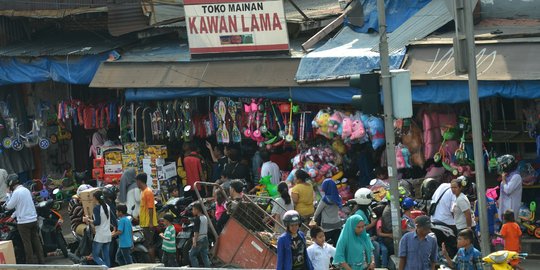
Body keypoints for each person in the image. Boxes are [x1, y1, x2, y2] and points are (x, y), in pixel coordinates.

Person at [4, 174, 45, 264]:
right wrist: (12, 217)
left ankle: (29, 264)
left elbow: (8, 207)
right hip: (33, 220)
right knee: (36, 241)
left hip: (24, 223)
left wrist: (8, 194)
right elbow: (20, 206)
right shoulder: (26, 190)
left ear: (11, 184)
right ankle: (41, 261)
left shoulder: (16, 193)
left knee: (27, 243)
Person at [83, 190, 112, 267]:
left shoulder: (96, 208)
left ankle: (105, 268)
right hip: (108, 234)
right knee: (106, 256)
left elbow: (97, 222)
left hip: (100, 236)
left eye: (93, 197)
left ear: (95, 198)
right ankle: (107, 267)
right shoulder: (107, 206)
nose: (92, 199)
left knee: (95, 256)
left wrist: (88, 220)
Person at [430, 181, 458, 258]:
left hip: (434, 221)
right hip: (447, 223)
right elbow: (454, 210)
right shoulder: (454, 192)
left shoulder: (442, 186)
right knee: (459, 241)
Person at [313, 179, 342, 245]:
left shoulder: (324, 200)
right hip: (337, 224)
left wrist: (313, 219)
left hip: (327, 226)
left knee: (324, 245)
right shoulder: (339, 197)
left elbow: (317, 212)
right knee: (337, 245)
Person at [136, 173, 158, 263]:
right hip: (145, 222)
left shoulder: (148, 192)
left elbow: (150, 208)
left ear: (139, 181)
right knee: (148, 244)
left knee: (149, 244)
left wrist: (151, 222)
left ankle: (153, 264)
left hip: (148, 223)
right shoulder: (143, 192)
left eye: (136, 182)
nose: (136, 184)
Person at [497, 155, 522, 220]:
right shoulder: (507, 176)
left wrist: (504, 180)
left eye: (504, 165)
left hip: (511, 209)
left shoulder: (516, 176)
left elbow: (508, 190)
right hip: (504, 207)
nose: (502, 167)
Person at [189, 203, 211, 267]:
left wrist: (194, 241)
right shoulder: (205, 217)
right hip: (205, 237)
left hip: (199, 239)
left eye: (193, 210)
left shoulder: (197, 219)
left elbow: (196, 232)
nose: (192, 211)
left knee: (192, 255)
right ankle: (208, 268)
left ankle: (196, 268)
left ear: (197, 210)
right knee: (205, 255)